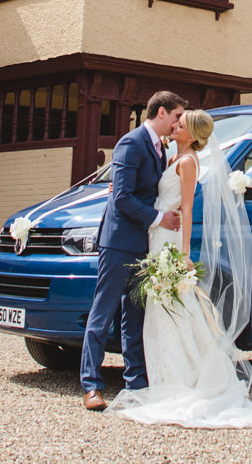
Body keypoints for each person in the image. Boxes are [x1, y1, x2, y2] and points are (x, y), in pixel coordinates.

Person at [109, 108, 252, 428]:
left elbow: (187, 209)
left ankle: (181, 378)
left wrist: (183, 254)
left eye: (180, 124)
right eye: (176, 122)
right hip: (155, 235)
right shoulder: (170, 157)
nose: (174, 125)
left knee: (172, 310)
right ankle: (167, 376)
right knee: (162, 310)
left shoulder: (187, 163)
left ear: (192, 135)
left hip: (169, 239)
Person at [80, 93, 184, 411]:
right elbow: (122, 196)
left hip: (144, 245)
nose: (180, 122)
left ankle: (136, 383)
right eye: (177, 116)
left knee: (134, 317)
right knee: (103, 313)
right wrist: (159, 217)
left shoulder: (162, 147)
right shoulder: (131, 142)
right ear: (162, 112)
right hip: (118, 242)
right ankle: (91, 386)